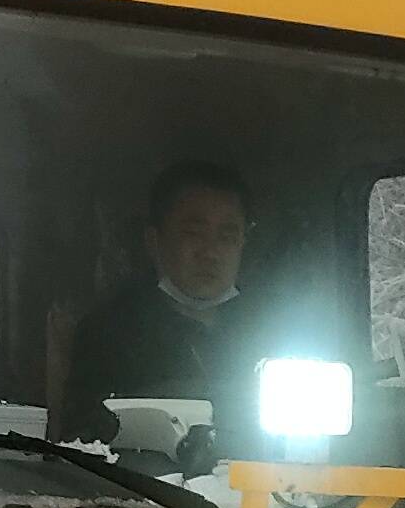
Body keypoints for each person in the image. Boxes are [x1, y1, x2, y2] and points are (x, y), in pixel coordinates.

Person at [60, 158, 262, 437]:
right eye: (194, 234)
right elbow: (81, 436)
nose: (211, 253)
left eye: (227, 237)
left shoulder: (272, 332)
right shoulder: (108, 333)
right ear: (155, 242)